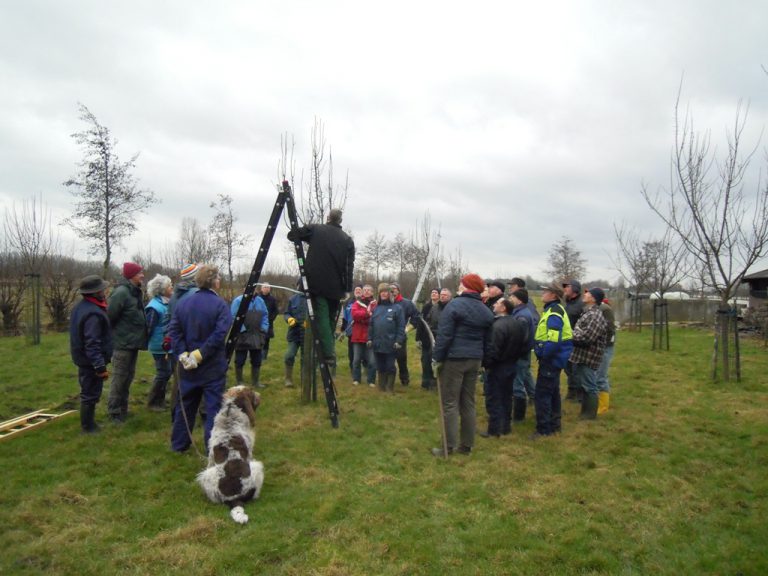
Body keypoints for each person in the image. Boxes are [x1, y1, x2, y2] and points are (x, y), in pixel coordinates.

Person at [168, 265, 231, 453]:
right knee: (213, 408)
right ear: (214, 281)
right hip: (212, 366)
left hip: (188, 367)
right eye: (218, 278)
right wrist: (200, 354)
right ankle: (212, 449)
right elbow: (220, 334)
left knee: (185, 405)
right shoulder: (220, 305)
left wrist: (183, 354)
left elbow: (174, 331)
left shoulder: (183, 303)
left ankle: (179, 445)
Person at [431, 274, 494, 456]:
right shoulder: (485, 310)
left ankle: (448, 447)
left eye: (461, 284)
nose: (459, 286)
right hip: (474, 360)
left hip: (454, 359)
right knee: (468, 403)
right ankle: (467, 445)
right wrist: (485, 362)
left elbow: (445, 336)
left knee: (450, 403)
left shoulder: (454, 306)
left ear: (467, 287)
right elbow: (488, 341)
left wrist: (437, 358)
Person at [287, 209, 355, 365]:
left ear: (328, 218)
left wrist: (307, 234)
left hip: (316, 284)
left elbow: (292, 235)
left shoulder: (316, 229)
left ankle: (328, 353)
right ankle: (328, 349)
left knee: (322, 317)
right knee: (331, 319)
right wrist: (347, 289)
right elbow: (348, 267)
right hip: (337, 288)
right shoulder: (347, 240)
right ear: (341, 220)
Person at [69, 275, 113, 434]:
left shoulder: (80, 307)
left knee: (89, 391)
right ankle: (88, 427)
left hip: (84, 359)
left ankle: (89, 422)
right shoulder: (93, 313)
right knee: (90, 393)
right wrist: (100, 366)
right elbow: (92, 342)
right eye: (102, 289)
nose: (105, 291)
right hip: (90, 361)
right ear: (95, 292)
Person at [106, 262, 148, 424]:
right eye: (139, 273)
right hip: (122, 344)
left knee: (128, 377)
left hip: (132, 344)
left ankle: (123, 409)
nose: (142, 275)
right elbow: (109, 316)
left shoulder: (134, 292)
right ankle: (114, 411)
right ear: (131, 275)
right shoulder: (121, 293)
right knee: (119, 378)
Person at [482, 298, 529, 437]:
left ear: (503, 308)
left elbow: (493, 349)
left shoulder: (497, 326)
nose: (494, 305)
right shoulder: (517, 323)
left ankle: (494, 430)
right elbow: (524, 345)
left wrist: (487, 364)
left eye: (497, 304)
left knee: (494, 398)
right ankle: (506, 426)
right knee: (507, 397)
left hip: (498, 366)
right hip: (512, 364)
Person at [532, 283, 573, 438]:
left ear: (554, 295)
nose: (542, 293)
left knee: (542, 395)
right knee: (553, 392)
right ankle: (555, 425)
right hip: (554, 359)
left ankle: (543, 429)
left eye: (546, 291)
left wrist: (543, 355)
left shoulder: (554, 313)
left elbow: (553, 340)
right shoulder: (552, 309)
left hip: (551, 360)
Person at [570, 287, 609, 420]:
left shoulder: (595, 315)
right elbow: (579, 332)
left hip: (589, 356)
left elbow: (587, 338)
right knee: (585, 384)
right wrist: (576, 333)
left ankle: (590, 414)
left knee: (590, 385)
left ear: (593, 298)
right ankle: (585, 412)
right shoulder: (587, 313)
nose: (585, 294)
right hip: (582, 355)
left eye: (588, 293)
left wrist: (571, 335)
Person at [167, 263, 199, 414]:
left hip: (176, 343)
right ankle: (188, 413)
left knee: (178, 378)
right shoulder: (196, 294)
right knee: (194, 379)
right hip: (191, 343)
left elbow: (169, 318)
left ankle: (175, 410)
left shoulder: (174, 295)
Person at [367, 283, 405, 392]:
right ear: (379, 294)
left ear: (390, 294)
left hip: (391, 343)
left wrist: (398, 340)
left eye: (386, 291)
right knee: (380, 366)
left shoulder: (397, 308)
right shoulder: (376, 309)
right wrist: (369, 338)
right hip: (377, 343)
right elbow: (371, 325)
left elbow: (401, 326)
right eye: (381, 292)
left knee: (390, 366)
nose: (383, 294)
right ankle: (382, 386)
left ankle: (390, 387)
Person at [145, 274, 174, 411]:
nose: (172, 287)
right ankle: (153, 402)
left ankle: (160, 400)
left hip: (167, 344)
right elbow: (149, 328)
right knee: (163, 373)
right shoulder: (154, 307)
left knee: (166, 372)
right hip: (159, 345)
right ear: (162, 289)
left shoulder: (167, 302)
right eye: (169, 286)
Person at [509, 288, 538, 422]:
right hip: (522, 355)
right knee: (525, 377)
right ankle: (534, 398)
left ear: (518, 299)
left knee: (517, 385)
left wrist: (511, 353)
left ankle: (519, 417)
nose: (510, 299)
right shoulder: (520, 312)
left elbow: (520, 339)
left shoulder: (522, 317)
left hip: (519, 356)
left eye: (512, 297)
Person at [231, 290, 270, 388]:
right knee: (240, 360)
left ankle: (255, 382)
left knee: (257, 359)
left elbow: (265, 315)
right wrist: (242, 330)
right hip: (242, 335)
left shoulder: (260, 301)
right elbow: (233, 316)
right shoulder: (238, 301)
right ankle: (239, 382)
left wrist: (264, 329)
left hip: (257, 334)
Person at [390, 282, 421, 387]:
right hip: (387, 335)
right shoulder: (385, 302)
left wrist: (407, 329)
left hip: (400, 335)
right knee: (388, 358)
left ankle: (404, 379)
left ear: (398, 290)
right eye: (390, 289)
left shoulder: (406, 303)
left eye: (394, 288)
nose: (392, 290)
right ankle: (389, 380)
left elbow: (416, 316)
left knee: (401, 358)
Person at [351, 284, 377, 387]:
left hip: (370, 336)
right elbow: (354, 315)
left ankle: (371, 380)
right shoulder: (357, 303)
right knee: (356, 360)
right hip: (358, 335)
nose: (366, 291)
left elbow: (375, 317)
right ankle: (356, 379)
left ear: (372, 292)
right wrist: (367, 314)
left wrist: (363, 317)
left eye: (368, 290)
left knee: (372, 361)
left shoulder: (375, 304)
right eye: (364, 290)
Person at [563, 279, 584, 403]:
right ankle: (571, 392)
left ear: (575, 289)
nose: (565, 288)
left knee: (577, 370)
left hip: (577, 342)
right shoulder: (568, 304)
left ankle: (580, 395)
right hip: (567, 341)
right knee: (568, 368)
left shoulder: (581, 305)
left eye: (568, 286)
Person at [283, 282, 307, 387]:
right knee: (289, 355)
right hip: (294, 332)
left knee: (305, 357)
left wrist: (310, 323)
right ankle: (288, 379)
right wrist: (289, 319)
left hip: (307, 334)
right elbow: (286, 313)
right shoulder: (292, 299)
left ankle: (305, 378)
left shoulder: (312, 300)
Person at [415, 288, 440, 390]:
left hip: (438, 338)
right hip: (426, 338)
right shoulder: (426, 307)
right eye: (432, 292)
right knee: (425, 361)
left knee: (435, 362)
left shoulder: (443, 307)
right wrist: (418, 338)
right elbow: (420, 323)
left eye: (436, 292)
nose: (433, 294)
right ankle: (425, 382)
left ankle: (435, 383)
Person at [596, 295, 616, 414]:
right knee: (599, 375)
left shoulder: (605, 309)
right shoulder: (596, 308)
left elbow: (609, 329)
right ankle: (598, 400)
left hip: (605, 346)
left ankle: (603, 407)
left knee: (601, 376)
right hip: (599, 346)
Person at [342, 286, 363, 371]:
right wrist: (343, 328)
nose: (357, 291)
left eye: (359, 290)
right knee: (351, 352)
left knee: (362, 351)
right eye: (356, 290)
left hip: (362, 331)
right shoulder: (348, 302)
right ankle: (353, 368)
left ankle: (364, 367)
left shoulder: (364, 301)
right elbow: (345, 317)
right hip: (351, 331)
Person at [257, 283, 279, 361]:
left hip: (268, 322)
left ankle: (264, 357)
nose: (266, 288)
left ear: (269, 289)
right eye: (264, 287)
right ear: (261, 288)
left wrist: (271, 319)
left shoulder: (272, 299)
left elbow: (276, 311)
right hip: (257, 322)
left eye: (267, 287)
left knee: (266, 339)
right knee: (257, 338)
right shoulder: (257, 298)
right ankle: (256, 354)